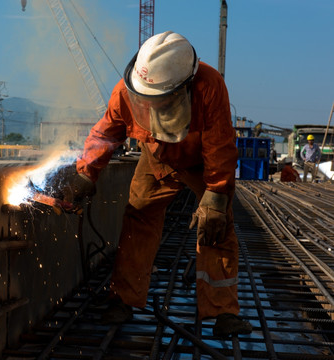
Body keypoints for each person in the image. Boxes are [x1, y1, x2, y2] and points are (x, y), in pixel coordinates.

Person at [63, 31, 252, 338]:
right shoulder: (126, 92)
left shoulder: (209, 84)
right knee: (138, 218)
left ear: (184, 86)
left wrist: (216, 193)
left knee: (215, 225)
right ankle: (123, 299)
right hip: (156, 159)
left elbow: (219, 142)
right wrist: (86, 173)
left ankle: (223, 312)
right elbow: (106, 134)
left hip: (200, 163)